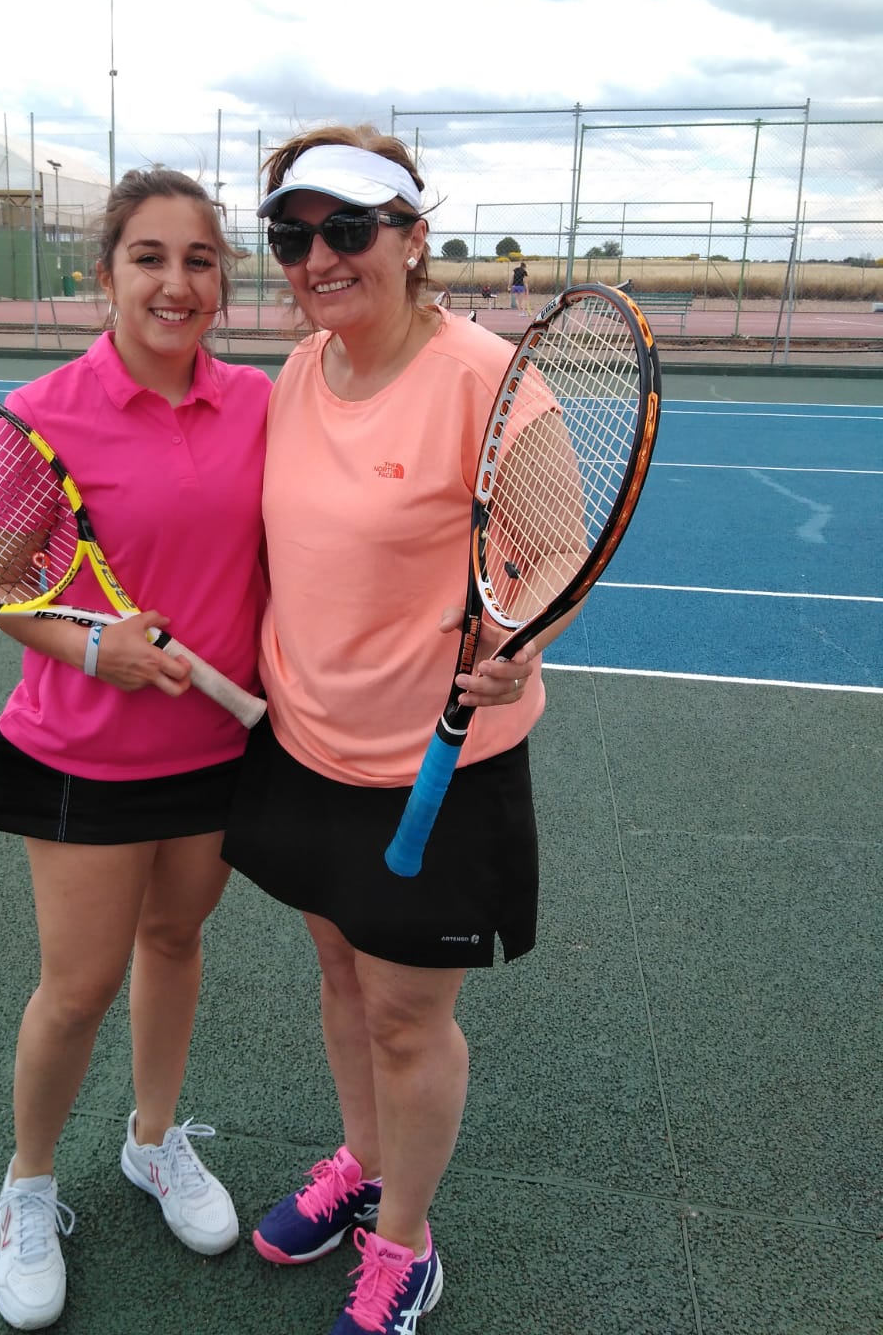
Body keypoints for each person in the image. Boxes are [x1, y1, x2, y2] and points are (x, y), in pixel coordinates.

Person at [222, 128, 586, 1335]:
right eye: (292, 237)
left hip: (438, 764)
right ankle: (365, 1163)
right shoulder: (299, 371)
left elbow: (555, 559)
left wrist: (522, 639)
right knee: (340, 971)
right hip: (305, 748)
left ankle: (406, 1243)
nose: (318, 257)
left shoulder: (491, 379)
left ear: (413, 237)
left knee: (407, 1015)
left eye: (347, 228)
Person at [0, 167, 270, 1330]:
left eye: (199, 260)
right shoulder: (38, 414)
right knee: (78, 986)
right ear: (103, 275)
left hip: (212, 749)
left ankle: (153, 1141)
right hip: (80, 753)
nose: (175, 282)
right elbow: (5, 589)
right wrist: (97, 648)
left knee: (175, 939)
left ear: (223, 283)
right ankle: (27, 1184)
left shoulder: (260, 404)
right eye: (149, 257)